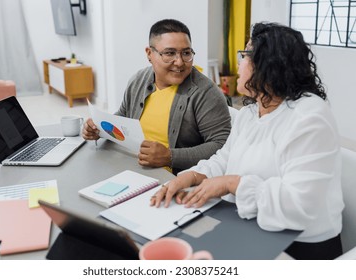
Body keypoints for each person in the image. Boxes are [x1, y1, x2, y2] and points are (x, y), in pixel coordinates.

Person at [151, 22, 344, 260]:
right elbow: (224, 159)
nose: (239, 64)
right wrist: (190, 177)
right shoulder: (251, 112)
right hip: (249, 225)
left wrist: (231, 184)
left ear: (269, 64)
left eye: (244, 56)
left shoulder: (310, 118)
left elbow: (298, 206)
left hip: (299, 246)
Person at [82, 19, 231, 174]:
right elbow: (123, 116)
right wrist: (99, 128)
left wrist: (170, 157)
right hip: (127, 167)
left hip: (172, 180)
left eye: (186, 53)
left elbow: (222, 144)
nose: (179, 62)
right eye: (169, 53)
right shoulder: (138, 80)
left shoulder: (205, 92)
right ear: (149, 54)